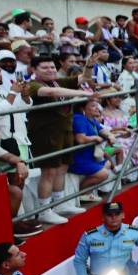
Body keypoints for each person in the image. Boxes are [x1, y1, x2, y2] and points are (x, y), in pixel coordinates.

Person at [25, 55, 94, 225]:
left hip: (64, 131)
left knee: (62, 169)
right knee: (49, 172)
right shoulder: (32, 85)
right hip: (45, 134)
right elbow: (51, 92)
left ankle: (59, 204)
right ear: (34, 70)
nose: (50, 70)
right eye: (45, 68)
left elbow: (84, 77)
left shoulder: (59, 81)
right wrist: (82, 93)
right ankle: (44, 210)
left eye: (52, 67)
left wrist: (89, 65)